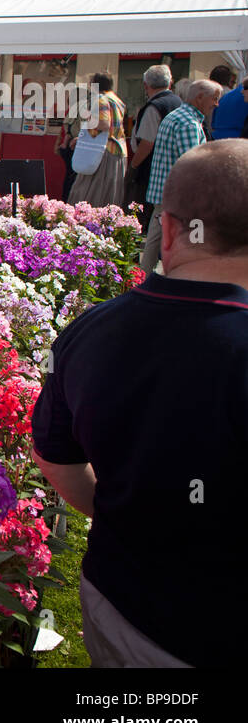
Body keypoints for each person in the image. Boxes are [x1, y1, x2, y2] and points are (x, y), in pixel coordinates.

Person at [32, 139, 248, 667]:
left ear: (169, 229)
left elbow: (56, 461)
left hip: (125, 612)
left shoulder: (88, 332)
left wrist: (121, 512)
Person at [140, 79, 219, 273]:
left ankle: (142, 279)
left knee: (155, 239)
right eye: (214, 99)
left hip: (164, 190)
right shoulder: (188, 123)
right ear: (200, 97)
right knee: (186, 241)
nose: (216, 104)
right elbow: (192, 163)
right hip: (178, 195)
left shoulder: (177, 116)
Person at [127, 64, 181, 233]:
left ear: (145, 85)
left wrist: (133, 167)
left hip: (150, 169)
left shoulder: (154, 107)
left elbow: (147, 143)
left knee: (141, 214)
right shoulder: (178, 102)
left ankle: (137, 253)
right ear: (170, 83)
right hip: (172, 166)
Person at [68, 73, 127, 209]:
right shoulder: (116, 100)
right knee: (109, 195)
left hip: (102, 153)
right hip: (118, 149)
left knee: (89, 193)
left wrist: (88, 120)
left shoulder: (100, 99)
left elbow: (104, 124)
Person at [211, 73, 248, 141]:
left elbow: (213, 123)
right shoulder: (243, 98)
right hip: (237, 141)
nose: (242, 92)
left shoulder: (225, 96)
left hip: (216, 138)